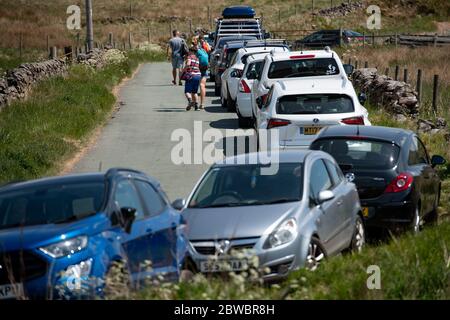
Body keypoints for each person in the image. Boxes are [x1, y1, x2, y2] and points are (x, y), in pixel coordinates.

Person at [182, 46, 202, 111]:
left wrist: (183, 70)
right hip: (198, 75)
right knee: (194, 92)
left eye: (189, 51)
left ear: (191, 51)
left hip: (191, 75)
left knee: (187, 91)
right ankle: (196, 106)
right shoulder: (197, 58)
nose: (188, 52)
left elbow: (188, 64)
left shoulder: (189, 57)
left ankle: (190, 101)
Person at [195, 38, 209, 110]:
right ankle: (202, 104)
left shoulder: (194, 51)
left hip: (196, 70)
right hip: (204, 69)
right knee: (202, 85)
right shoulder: (203, 50)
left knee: (194, 86)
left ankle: (195, 103)